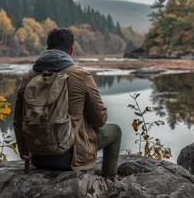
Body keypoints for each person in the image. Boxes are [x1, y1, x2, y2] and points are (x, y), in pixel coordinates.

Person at [13, 28, 122, 179]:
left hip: (37, 158)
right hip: (69, 160)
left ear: (47, 48)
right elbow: (100, 120)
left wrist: (27, 154)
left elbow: (18, 122)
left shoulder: (28, 77)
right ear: (71, 50)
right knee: (115, 131)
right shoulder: (80, 75)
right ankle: (108, 180)